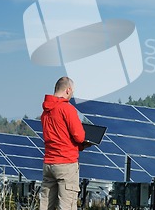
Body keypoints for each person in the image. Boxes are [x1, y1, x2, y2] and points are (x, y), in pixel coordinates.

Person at [39, 76, 89, 210]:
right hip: (66, 163)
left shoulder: (45, 112)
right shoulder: (67, 109)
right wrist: (84, 142)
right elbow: (79, 136)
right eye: (72, 92)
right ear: (68, 90)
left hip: (49, 163)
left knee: (45, 205)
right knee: (67, 205)